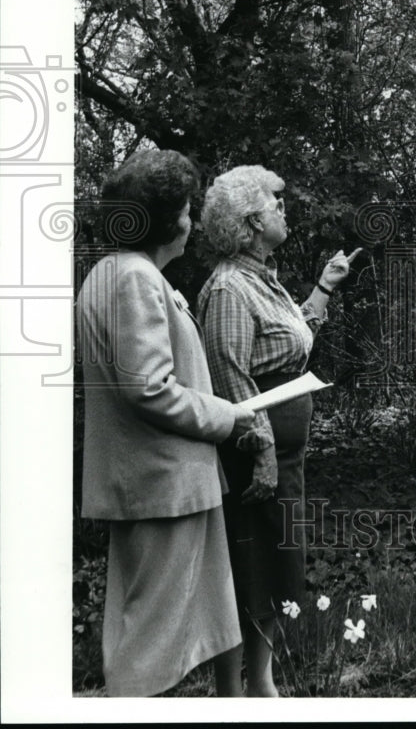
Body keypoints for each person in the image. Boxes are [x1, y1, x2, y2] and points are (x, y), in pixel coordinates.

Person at [76, 149, 258, 697]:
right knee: (148, 648)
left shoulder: (123, 273)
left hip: (173, 485)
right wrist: (229, 416)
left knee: (216, 616)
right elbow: (148, 388)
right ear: (162, 220)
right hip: (161, 486)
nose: (193, 220)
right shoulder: (133, 278)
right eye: (185, 209)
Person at [197, 165, 358, 697]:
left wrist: (323, 289)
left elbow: (292, 344)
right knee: (250, 568)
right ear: (250, 220)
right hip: (255, 462)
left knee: (274, 567)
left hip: (282, 461)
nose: (285, 209)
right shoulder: (227, 288)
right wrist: (262, 449)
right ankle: (235, 692)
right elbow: (230, 379)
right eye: (276, 201)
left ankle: (260, 681)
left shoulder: (261, 279)